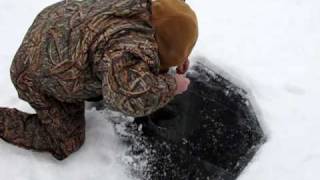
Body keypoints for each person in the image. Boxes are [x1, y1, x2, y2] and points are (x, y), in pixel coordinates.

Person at [0, 0, 198, 160]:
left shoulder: (145, 7)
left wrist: (178, 54)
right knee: (68, 141)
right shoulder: (125, 50)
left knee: (113, 65)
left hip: (56, 24)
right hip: (34, 73)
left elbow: (172, 22)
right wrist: (172, 85)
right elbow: (126, 96)